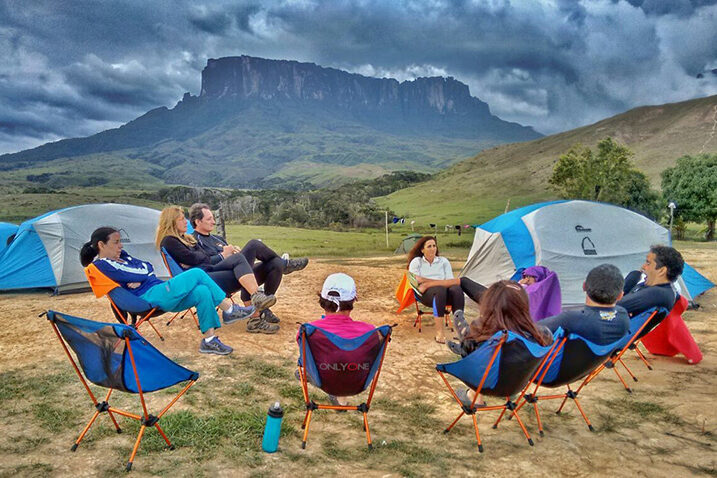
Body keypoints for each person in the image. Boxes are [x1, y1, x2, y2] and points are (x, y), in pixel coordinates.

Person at [80, 227, 252, 355]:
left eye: (120, 241)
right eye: (116, 242)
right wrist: (141, 276)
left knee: (202, 291)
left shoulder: (123, 257)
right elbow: (137, 272)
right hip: (148, 296)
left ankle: (209, 340)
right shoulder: (102, 265)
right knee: (197, 273)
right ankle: (229, 310)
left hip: (160, 292)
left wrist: (140, 276)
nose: (120, 246)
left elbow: (148, 266)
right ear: (101, 245)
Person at [157, 206, 279, 334]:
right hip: (200, 279)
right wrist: (200, 258)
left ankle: (257, 301)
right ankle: (256, 307)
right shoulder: (169, 241)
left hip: (206, 271)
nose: (185, 222)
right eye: (181, 219)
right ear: (172, 222)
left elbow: (200, 257)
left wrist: (197, 259)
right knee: (243, 262)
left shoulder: (185, 239)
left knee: (240, 259)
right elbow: (194, 258)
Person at [188, 203, 309, 326]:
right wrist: (223, 255)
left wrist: (235, 253)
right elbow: (201, 266)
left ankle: (263, 307)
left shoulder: (218, 239)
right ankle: (286, 265)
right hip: (216, 280)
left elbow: (231, 259)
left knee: (275, 263)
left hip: (238, 273)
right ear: (198, 221)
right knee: (253, 244)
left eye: (213, 218)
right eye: (209, 219)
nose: (213, 222)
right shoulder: (193, 241)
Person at [447, 280, 553, 407]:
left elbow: (468, 361)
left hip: (486, 384)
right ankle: (465, 342)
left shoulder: (484, 336)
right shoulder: (540, 336)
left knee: (473, 347)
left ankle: (474, 396)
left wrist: (465, 336)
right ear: (523, 305)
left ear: (489, 305)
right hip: (516, 385)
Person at [298, 272, 375, 407]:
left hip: (322, 380)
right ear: (353, 300)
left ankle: (328, 385)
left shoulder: (310, 330)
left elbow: (303, 360)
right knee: (346, 356)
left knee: (308, 363)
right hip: (358, 383)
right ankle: (342, 399)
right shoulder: (370, 332)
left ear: (322, 300)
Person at [407, 236, 486, 344]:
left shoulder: (443, 261)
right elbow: (417, 281)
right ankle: (439, 333)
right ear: (422, 250)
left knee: (456, 289)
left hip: (444, 293)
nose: (432, 248)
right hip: (425, 295)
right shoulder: (417, 262)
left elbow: (451, 282)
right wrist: (439, 282)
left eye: (434, 246)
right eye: (429, 246)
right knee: (440, 290)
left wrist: (428, 283)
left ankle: (461, 331)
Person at [539, 264, 630, 345]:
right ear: (620, 295)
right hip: (599, 358)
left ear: (584, 286)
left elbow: (533, 331)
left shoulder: (570, 320)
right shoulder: (623, 317)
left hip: (560, 359)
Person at [617, 245, 684, 317]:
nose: (643, 267)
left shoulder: (657, 293)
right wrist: (634, 276)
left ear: (662, 270)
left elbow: (612, 306)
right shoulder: (655, 288)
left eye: (648, 263)